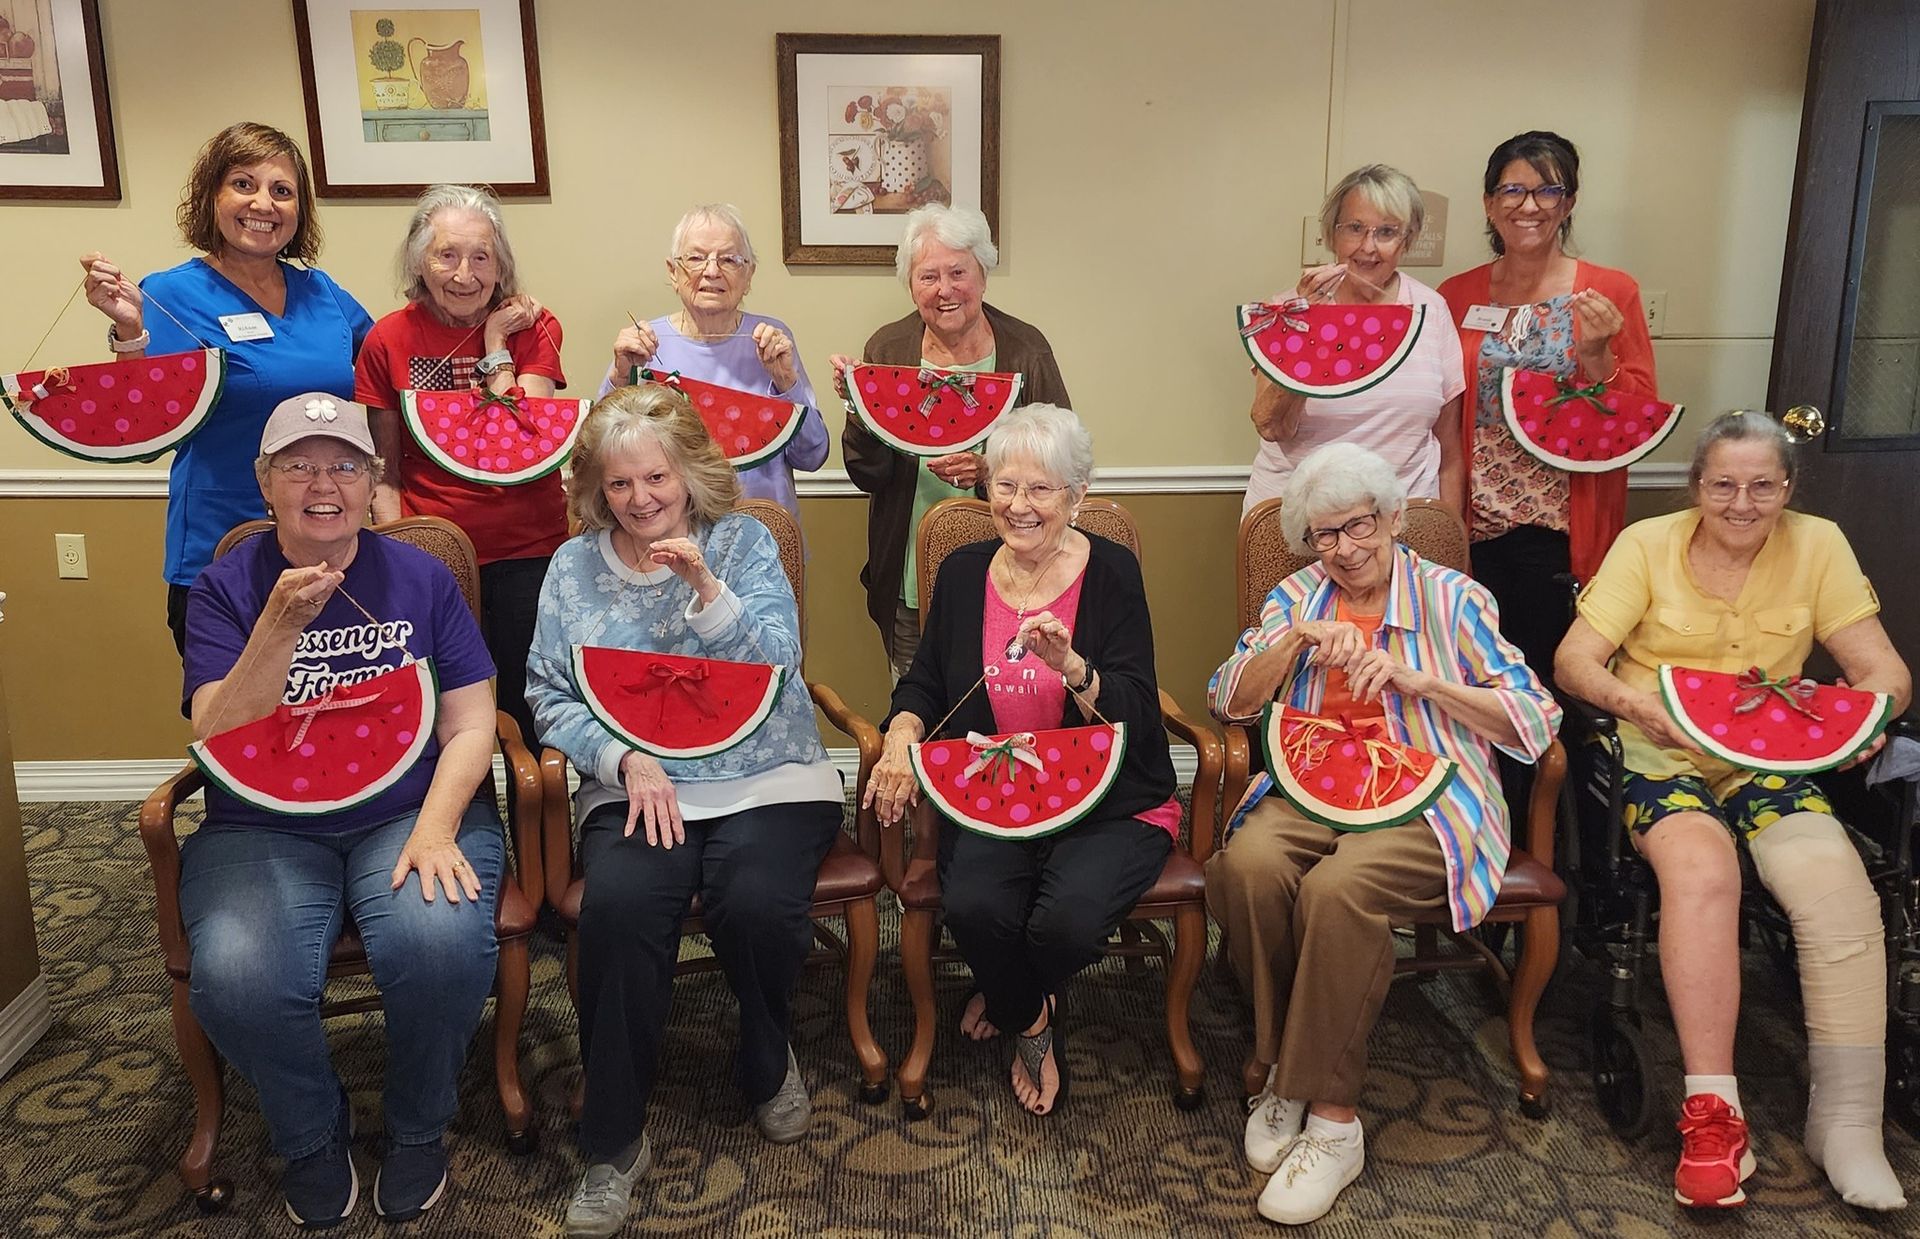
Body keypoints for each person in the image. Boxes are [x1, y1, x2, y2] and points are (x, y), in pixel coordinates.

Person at [1556, 411, 1911, 1212]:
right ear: (1697, 486)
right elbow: (1575, 660)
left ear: (1788, 487)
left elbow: (1882, 668)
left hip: (1770, 754)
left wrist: (1871, 718)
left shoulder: (1819, 544)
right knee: (1701, 868)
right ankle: (1715, 1112)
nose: (1742, 502)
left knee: (1834, 881)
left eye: (1762, 485)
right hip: (1657, 749)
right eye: (1723, 484)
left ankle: (1847, 1124)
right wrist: (1630, 704)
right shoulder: (1647, 545)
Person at [1206, 443, 1560, 1226]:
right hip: (1311, 789)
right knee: (1247, 866)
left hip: (1430, 795)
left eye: (1359, 526)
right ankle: (1283, 1073)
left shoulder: (1457, 600)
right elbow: (1228, 698)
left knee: (1341, 891)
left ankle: (1332, 1119)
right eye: (1324, 536)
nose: (1345, 549)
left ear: (1395, 518)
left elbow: (1536, 718)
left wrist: (1419, 680)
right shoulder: (1297, 596)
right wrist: (1291, 642)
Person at [525, 383, 842, 1238]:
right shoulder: (573, 566)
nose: (639, 500)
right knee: (623, 907)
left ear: (689, 472)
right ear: (596, 489)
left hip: (766, 772)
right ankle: (612, 1140)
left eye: (655, 478)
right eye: (619, 485)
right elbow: (548, 694)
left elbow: (779, 661)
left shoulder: (743, 541)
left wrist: (707, 588)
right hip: (639, 782)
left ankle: (768, 1053)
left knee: (758, 901)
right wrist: (623, 758)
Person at [179, 394, 501, 1227]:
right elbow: (212, 734)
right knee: (241, 978)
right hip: (261, 824)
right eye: (299, 465)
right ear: (265, 482)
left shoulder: (422, 576)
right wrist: (278, 628)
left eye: (345, 465)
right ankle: (313, 1134)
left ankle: (418, 1124)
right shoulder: (223, 587)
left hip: (409, 808)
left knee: (437, 944)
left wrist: (436, 825)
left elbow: (471, 722)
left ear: (372, 481)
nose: (324, 484)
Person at [863, 404, 1178, 1117]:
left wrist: (1072, 665)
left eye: (1041, 489)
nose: (1019, 505)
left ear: (1077, 496)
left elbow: (1135, 703)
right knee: (975, 906)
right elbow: (927, 682)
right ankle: (1031, 1017)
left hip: (1110, 800)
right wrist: (904, 729)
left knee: (1061, 923)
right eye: (1005, 485)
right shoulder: (967, 568)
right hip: (994, 791)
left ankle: (1007, 985)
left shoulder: (1112, 571)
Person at [79, 122, 373, 656]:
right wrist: (127, 333)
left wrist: (486, 335)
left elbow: (387, 367)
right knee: (236, 722)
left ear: (299, 209)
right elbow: (142, 430)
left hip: (324, 545)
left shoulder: (322, 291)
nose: (263, 202)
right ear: (212, 196)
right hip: (220, 548)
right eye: (243, 183)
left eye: (282, 191)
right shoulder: (170, 294)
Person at [1436, 130, 1656, 680]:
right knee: (1472, 677)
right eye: (1511, 190)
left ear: (1569, 202)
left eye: (1547, 190)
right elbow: (1444, 417)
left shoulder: (1610, 290)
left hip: (1560, 525)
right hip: (1474, 521)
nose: (1528, 206)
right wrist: (1449, 529)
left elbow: (1637, 419)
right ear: (1489, 204)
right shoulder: (1455, 295)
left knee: (1544, 677)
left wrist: (1597, 355)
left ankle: (1551, 771)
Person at [354, 183, 566, 748]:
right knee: (444, 712)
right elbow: (384, 465)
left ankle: (535, 830)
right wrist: (399, 550)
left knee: (530, 707)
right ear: (419, 261)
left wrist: (496, 341)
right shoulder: (387, 339)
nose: (464, 273)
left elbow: (529, 439)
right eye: (446, 255)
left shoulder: (535, 328)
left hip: (530, 549)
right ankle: (464, 831)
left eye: (481, 257)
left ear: (502, 265)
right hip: (433, 552)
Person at [832, 203, 1072, 678]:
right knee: (918, 700)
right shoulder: (887, 350)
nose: (944, 291)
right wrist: (860, 407)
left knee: (1006, 700)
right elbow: (868, 473)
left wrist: (990, 471)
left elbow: (1064, 463)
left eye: (958, 272)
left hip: (1017, 574)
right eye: (928, 277)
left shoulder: (1026, 351)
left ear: (982, 274)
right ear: (911, 285)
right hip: (909, 580)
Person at [1245, 164, 1466, 518]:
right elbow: (1271, 424)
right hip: (1299, 521)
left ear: (1407, 240)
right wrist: (1308, 328)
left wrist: (1450, 543)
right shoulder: (1285, 312)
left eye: (1387, 232)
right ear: (1332, 235)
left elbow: (1449, 451)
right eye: (1354, 228)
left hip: (1401, 522)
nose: (1368, 246)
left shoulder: (1432, 311)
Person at [603, 203, 829, 524]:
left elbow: (813, 456)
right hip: (667, 538)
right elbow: (599, 455)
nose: (711, 271)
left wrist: (787, 383)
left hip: (766, 539)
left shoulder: (772, 341)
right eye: (695, 258)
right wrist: (619, 377)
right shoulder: (644, 345)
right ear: (673, 272)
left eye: (730, 259)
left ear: (749, 274)